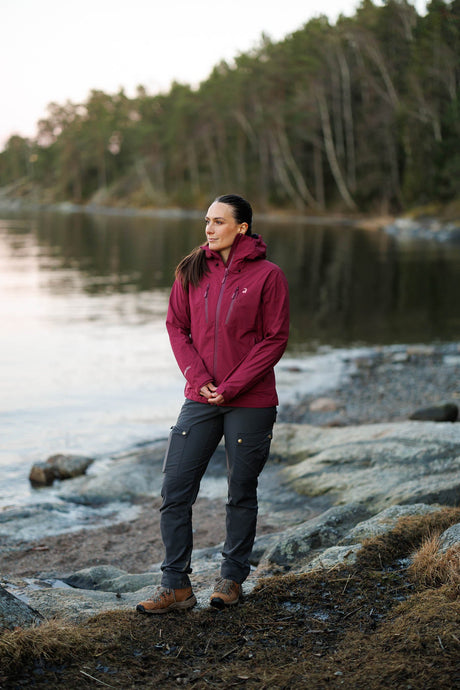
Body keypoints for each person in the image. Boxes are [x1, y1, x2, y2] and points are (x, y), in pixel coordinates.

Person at [136, 193, 289, 614]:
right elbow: (176, 326)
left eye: (219, 221)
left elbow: (275, 339)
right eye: (207, 220)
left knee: (241, 490)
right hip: (200, 397)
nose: (209, 228)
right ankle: (176, 587)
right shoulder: (192, 270)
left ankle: (231, 579)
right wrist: (199, 379)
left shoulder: (268, 276)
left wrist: (233, 385)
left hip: (251, 399)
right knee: (174, 489)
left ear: (242, 227)